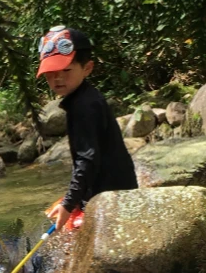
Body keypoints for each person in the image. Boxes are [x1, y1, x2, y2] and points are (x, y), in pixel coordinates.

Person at [36, 26, 137, 230]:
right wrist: (74, 199)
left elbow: (86, 160)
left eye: (66, 70)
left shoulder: (84, 106)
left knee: (63, 227)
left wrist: (69, 204)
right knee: (52, 214)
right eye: (51, 72)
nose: (57, 78)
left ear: (87, 68)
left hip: (111, 197)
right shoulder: (84, 98)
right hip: (110, 190)